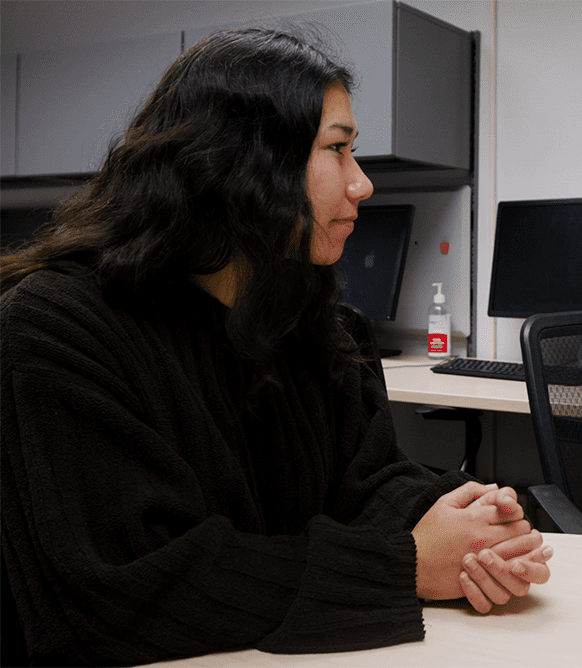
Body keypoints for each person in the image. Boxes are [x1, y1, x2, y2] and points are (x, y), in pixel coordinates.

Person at [0, 27, 552, 666]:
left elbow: (362, 480)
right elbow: (120, 591)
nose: (363, 184)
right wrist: (405, 564)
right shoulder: (55, 329)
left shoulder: (316, 323)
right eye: (337, 149)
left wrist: (465, 525)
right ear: (241, 163)